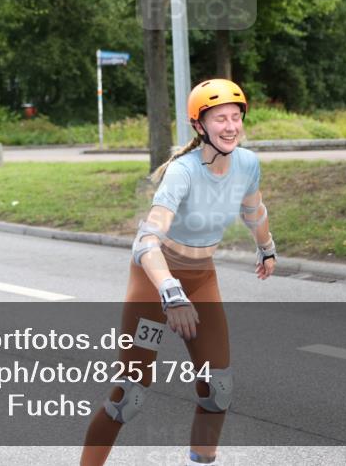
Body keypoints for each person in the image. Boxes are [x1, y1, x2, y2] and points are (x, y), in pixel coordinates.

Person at [81, 78, 277, 466]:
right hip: (155, 284)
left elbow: (253, 209)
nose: (230, 126)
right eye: (220, 118)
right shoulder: (182, 172)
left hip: (201, 276)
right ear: (199, 125)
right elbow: (146, 243)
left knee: (217, 388)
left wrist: (266, 247)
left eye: (236, 117)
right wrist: (172, 294)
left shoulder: (247, 163)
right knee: (130, 395)